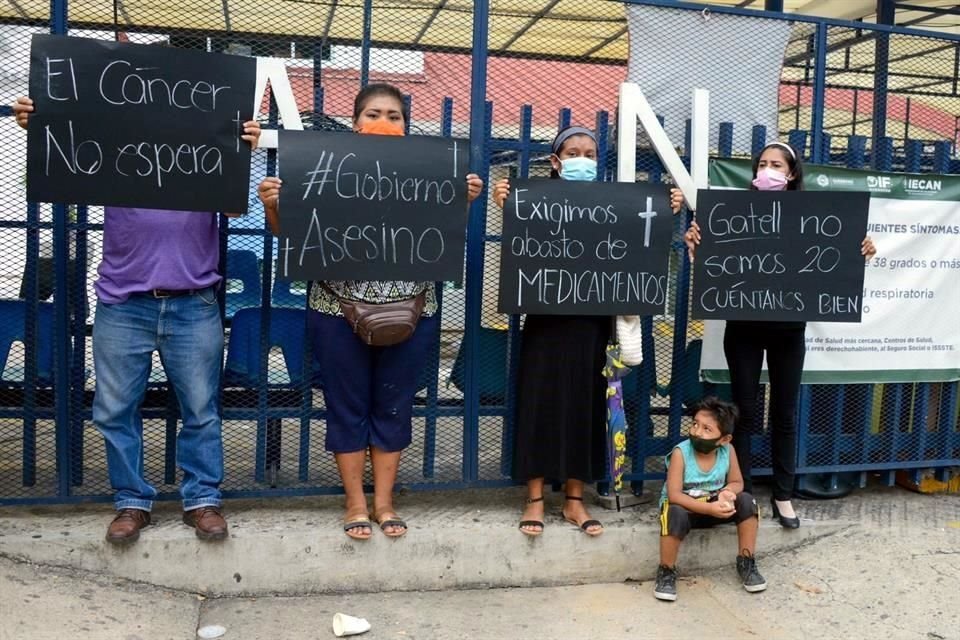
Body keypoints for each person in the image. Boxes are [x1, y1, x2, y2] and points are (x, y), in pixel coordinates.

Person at [12, 96, 261, 544]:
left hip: (193, 303)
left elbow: (236, 209)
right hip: (124, 303)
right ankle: (132, 501)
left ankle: (202, 498)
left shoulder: (205, 151)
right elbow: (63, 164)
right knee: (113, 411)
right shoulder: (113, 150)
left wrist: (241, 152)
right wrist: (40, 126)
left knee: (201, 410)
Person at [257, 83, 483, 540]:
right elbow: (292, 236)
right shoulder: (323, 165)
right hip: (336, 310)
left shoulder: (426, 170)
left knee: (394, 405)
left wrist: (464, 198)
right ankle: (355, 502)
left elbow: (441, 229)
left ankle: (384, 502)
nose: (385, 122)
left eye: (395, 115)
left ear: (406, 124)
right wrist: (273, 206)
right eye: (375, 113)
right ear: (356, 120)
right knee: (346, 405)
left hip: (412, 310)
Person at [493, 126, 683, 537]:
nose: (583, 158)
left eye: (591, 153)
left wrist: (668, 209)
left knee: (586, 406)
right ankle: (535, 497)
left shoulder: (617, 205)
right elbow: (520, 254)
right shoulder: (533, 203)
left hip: (595, 324)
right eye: (574, 151)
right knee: (539, 404)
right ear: (557, 161)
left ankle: (575, 501)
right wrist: (506, 205)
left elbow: (645, 247)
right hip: (545, 321)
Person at [683, 141, 877, 529]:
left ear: (790, 174)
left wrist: (864, 249)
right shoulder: (732, 214)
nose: (768, 169)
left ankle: (784, 495)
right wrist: (696, 245)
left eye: (777, 164)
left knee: (785, 412)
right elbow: (713, 259)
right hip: (744, 330)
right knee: (744, 411)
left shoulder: (814, 215)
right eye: (763, 163)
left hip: (789, 331)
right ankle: (744, 492)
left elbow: (836, 261)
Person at [654, 396, 765, 601]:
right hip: (686, 508)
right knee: (674, 512)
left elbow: (737, 482)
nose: (697, 432)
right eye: (695, 424)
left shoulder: (728, 450)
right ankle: (666, 571)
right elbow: (674, 495)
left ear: (724, 439)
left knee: (747, 502)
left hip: (715, 505)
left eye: (707, 429)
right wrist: (709, 509)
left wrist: (727, 492)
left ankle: (746, 562)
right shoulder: (681, 453)